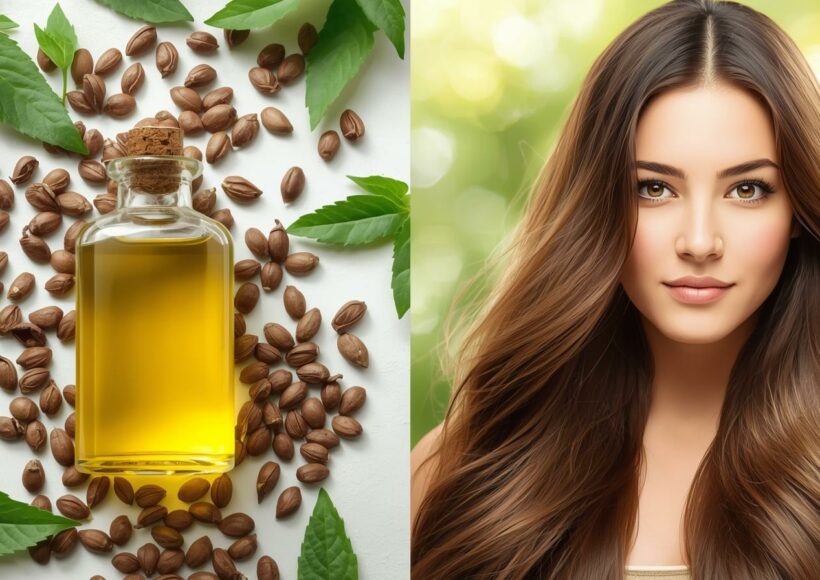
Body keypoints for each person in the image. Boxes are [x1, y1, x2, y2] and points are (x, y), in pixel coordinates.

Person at [411, 1, 819, 578]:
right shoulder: (477, 460)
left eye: (748, 190)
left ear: (799, 207)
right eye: (653, 188)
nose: (700, 241)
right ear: (596, 204)